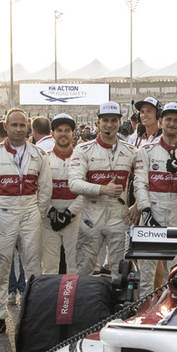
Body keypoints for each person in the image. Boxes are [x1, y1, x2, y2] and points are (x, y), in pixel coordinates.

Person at [0, 108, 51, 338]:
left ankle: (33, 316)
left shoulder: (39, 154)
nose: (19, 129)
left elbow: (46, 189)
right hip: (3, 212)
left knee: (33, 266)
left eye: (23, 126)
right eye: (14, 125)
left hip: (31, 211)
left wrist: (36, 211)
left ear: (28, 128)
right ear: (6, 127)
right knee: (0, 266)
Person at [134, 102, 177, 295]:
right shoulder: (146, 150)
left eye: (176, 120)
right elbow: (140, 183)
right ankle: (146, 307)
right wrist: (145, 211)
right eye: (168, 119)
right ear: (161, 121)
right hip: (153, 210)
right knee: (147, 268)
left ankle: (176, 304)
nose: (172, 124)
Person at [69, 102, 139, 279]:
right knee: (85, 268)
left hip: (120, 214)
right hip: (92, 213)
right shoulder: (82, 149)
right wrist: (103, 189)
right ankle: (85, 305)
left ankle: (120, 307)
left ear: (119, 122)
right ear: (97, 122)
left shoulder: (131, 151)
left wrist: (138, 205)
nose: (109, 124)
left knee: (121, 270)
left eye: (114, 120)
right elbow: (74, 183)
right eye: (105, 120)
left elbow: (142, 181)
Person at [41, 113, 82, 274]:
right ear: (53, 134)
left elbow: (85, 189)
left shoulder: (81, 158)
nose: (63, 134)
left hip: (74, 218)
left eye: (67, 130)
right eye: (59, 130)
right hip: (48, 219)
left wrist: (70, 213)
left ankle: (73, 299)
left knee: (75, 266)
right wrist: (50, 212)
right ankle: (50, 299)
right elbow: (39, 189)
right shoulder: (44, 158)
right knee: (49, 267)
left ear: (73, 133)